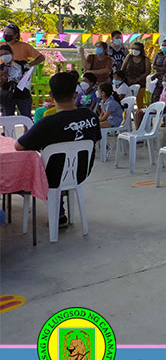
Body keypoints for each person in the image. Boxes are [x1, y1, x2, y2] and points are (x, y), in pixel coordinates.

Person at [15, 72, 101, 227]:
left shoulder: (47, 123)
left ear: (51, 95)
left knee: (47, 163)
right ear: (75, 94)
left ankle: (54, 207)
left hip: (51, 175)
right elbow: (96, 139)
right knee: (60, 162)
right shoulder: (90, 115)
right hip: (82, 171)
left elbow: (19, 146)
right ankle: (59, 209)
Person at [1, 23, 44, 117]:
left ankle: (28, 131)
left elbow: (41, 58)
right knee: (7, 115)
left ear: (15, 35)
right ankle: (6, 132)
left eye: (8, 33)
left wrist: (28, 65)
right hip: (6, 87)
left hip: (22, 85)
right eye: (5, 33)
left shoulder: (24, 46)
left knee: (25, 114)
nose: (6, 35)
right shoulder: (1, 46)